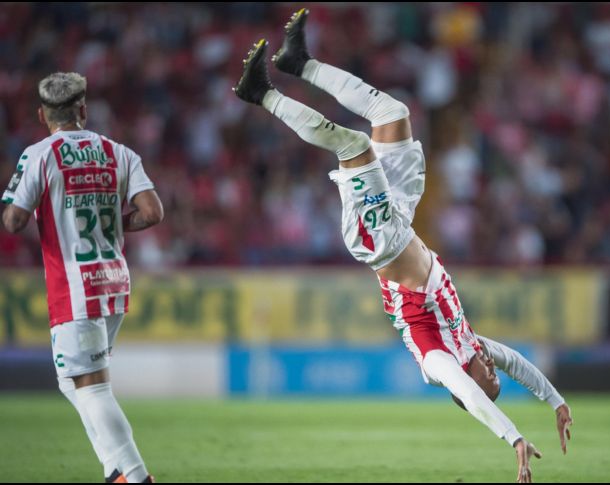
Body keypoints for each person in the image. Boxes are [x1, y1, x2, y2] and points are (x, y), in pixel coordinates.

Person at [233, 9, 573, 483]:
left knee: (353, 144)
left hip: (381, 241)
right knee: (393, 114)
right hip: (402, 218)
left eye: (489, 382)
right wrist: (556, 401)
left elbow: (473, 399)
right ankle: (300, 63)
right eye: (493, 380)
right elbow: (517, 364)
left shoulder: (439, 364)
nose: (493, 377)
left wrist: (513, 437)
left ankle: (262, 94)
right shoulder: (473, 344)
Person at [2, 72, 163, 483]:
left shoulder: (39, 154)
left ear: (42, 115)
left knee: (92, 387)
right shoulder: (118, 152)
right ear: (83, 111)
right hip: (113, 279)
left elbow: (15, 220)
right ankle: (114, 470)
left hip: (73, 286)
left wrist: (13, 200)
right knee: (71, 382)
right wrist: (111, 225)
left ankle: (135, 476)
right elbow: (152, 212)